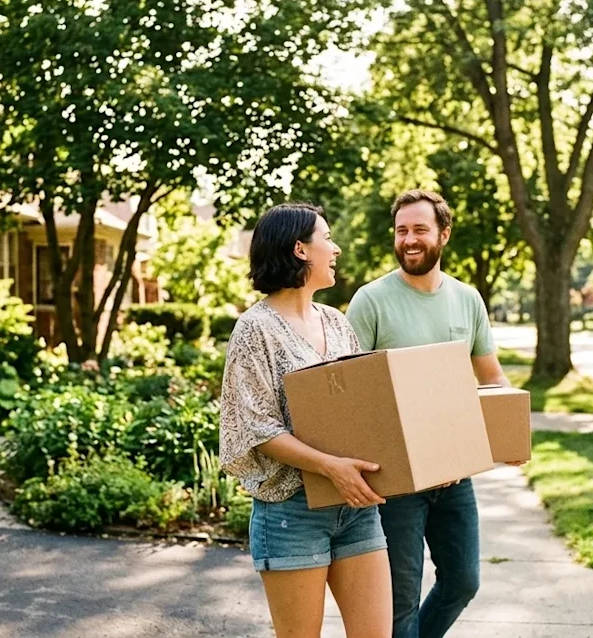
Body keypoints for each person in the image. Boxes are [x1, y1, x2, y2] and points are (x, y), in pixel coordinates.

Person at [346, 189, 521, 638]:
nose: (409, 240)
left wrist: (510, 434)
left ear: (443, 234)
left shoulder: (467, 300)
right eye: (402, 231)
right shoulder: (371, 300)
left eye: (420, 230)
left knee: (463, 581)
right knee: (400, 600)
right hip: (397, 482)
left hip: (454, 477)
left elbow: (492, 379)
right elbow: (349, 391)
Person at [220, 202, 393, 638]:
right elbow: (258, 429)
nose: (335, 249)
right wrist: (330, 466)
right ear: (300, 249)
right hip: (291, 513)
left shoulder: (336, 322)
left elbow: (360, 409)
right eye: (327, 239)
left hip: (354, 507)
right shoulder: (254, 329)